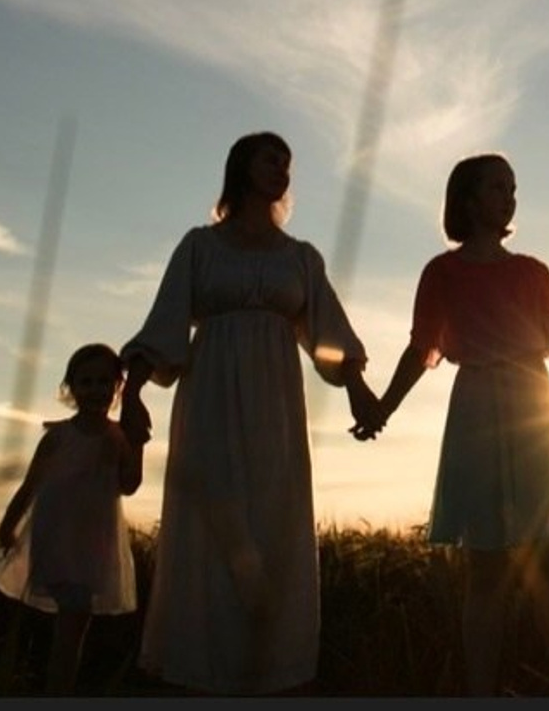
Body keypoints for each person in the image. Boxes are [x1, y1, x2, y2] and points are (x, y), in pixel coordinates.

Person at [118, 130, 379, 695]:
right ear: (241, 167)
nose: (281, 171)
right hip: (209, 400)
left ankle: (273, 670)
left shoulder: (300, 259)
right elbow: (164, 324)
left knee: (273, 523)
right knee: (212, 526)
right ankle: (202, 670)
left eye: (287, 164)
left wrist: (358, 388)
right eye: (270, 160)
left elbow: (328, 335)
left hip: (277, 411)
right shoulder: (199, 247)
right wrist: (133, 392)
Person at [354, 153, 549, 696]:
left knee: (548, 561)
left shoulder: (532, 271)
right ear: (467, 199)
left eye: (513, 187)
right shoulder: (441, 272)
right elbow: (420, 349)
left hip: (532, 403)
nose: (509, 197)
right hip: (475, 409)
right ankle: (480, 691)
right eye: (498, 187)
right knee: (486, 565)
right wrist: (383, 407)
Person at [0, 343, 143, 694]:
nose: (95, 390)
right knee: (72, 623)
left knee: (74, 625)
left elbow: (130, 485)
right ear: (70, 388)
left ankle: (58, 687)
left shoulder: (118, 437)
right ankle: (58, 690)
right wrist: (8, 525)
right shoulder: (58, 437)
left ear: (117, 386)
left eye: (104, 382)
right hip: (58, 540)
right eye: (86, 382)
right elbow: (30, 485)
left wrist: (136, 443)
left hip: (94, 544)